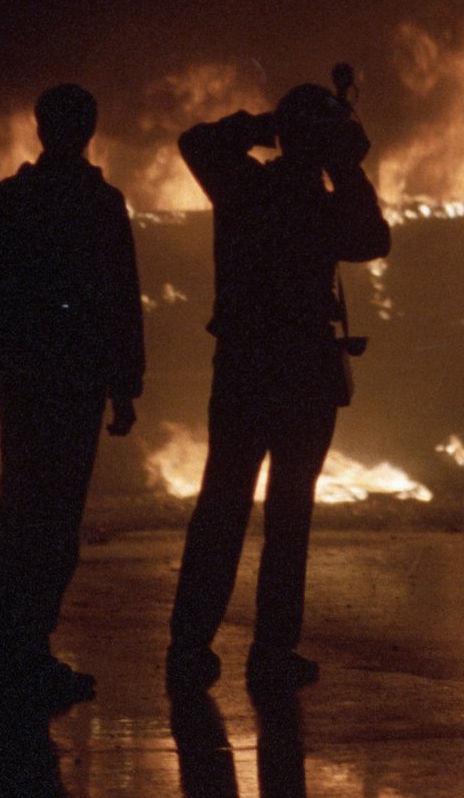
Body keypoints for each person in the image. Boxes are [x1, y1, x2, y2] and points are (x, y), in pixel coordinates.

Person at [165, 80, 389, 694]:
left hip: (243, 368)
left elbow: (197, 140)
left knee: (222, 505)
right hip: (303, 374)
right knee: (290, 515)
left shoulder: (244, 186)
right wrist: (344, 164)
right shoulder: (321, 204)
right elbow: (373, 239)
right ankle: (271, 651)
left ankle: (189, 646)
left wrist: (267, 125)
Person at [0, 83, 144, 708]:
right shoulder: (100, 203)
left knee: (22, 514)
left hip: (30, 379)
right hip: (72, 381)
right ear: (87, 131)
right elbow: (120, 301)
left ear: (41, 129)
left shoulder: (13, 201)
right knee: (54, 520)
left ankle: (15, 651)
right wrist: (124, 385)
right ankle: (24, 651)